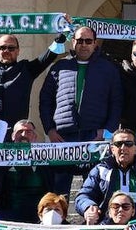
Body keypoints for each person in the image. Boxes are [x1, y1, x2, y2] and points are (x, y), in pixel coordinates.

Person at [39, 26, 123, 195]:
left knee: (96, 190)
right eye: (80, 41)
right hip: (63, 137)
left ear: (95, 43)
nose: (84, 45)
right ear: (73, 42)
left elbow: (117, 102)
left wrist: (107, 132)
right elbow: (45, 100)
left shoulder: (108, 69)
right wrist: (50, 130)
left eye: (88, 41)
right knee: (58, 192)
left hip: (95, 137)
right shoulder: (60, 66)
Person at [75, 128, 136, 219]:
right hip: (106, 227)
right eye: (118, 144)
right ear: (112, 149)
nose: (123, 148)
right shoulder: (100, 171)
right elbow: (83, 196)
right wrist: (88, 207)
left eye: (128, 144)